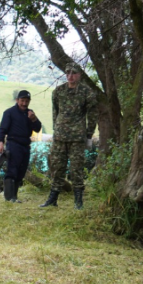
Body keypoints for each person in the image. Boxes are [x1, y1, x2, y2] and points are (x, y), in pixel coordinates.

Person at [40, 62, 98, 210]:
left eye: (73, 73)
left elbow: (92, 115)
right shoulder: (58, 91)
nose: (70, 76)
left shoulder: (87, 92)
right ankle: (52, 199)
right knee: (57, 167)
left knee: (76, 169)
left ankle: (78, 202)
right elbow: (55, 113)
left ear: (79, 74)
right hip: (60, 136)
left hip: (77, 137)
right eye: (68, 73)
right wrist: (55, 130)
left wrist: (89, 135)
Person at [0, 90, 42, 202]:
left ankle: (14, 196)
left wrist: (33, 119)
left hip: (26, 145)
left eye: (26, 101)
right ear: (17, 100)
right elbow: (2, 129)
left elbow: (38, 128)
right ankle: (9, 197)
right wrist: (1, 142)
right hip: (13, 144)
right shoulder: (9, 112)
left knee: (21, 171)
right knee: (12, 170)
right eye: (22, 101)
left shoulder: (30, 113)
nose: (24, 103)